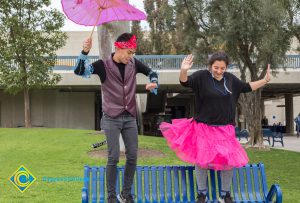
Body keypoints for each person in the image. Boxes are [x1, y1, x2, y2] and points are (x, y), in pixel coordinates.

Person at [160, 52, 271, 203]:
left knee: (227, 161)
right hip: (204, 127)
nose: (219, 71)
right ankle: (202, 194)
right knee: (202, 161)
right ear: (210, 65)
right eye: (216, 67)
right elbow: (184, 82)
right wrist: (184, 70)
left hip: (225, 129)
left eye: (222, 68)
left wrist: (264, 80)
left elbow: (246, 87)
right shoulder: (202, 77)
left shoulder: (231, 80)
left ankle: (225, 194)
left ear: (226, 67)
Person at [74, 33, 159, 203]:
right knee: (113, 157)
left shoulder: (133, 64)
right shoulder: (102, 66)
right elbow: (79, 71)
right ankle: (111, 197)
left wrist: (154, 82)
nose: (131, 56)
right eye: (129, 52)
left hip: (129, 118)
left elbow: (152, 72)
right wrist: (84, 52)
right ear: (118, 48)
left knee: (133, 156)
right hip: (111, 118)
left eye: (133, 53)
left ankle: (126, 194)